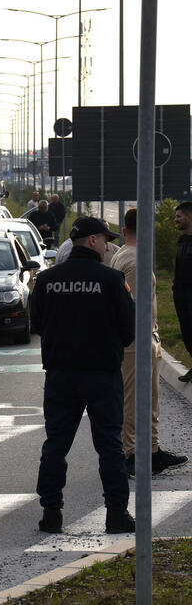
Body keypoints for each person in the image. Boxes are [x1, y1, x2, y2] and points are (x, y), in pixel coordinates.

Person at [30, 216, 136, 534]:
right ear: (92, 241)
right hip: (102, 375)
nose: (108, 246)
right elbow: (129, 331)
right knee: (109, 446)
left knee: (55, 445)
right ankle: (116, 514)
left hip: (61, 375)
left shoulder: (47, 281)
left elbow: (37, 325)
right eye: (105, 240)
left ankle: (51, 514)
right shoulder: (112, 280)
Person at [110, 207, 189, 476]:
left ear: (125, 230)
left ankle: (152, 450)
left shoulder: (124, 253)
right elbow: (131, 306)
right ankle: (133, 453)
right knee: (134, 400)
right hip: (136, 340)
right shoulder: (133, 260)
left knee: (149, 400)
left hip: (143, 338)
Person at [172, 201, 192, 383]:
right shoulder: (182, 240)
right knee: (187, 331)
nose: (175, 220)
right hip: (181, 293)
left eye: (179, 216)